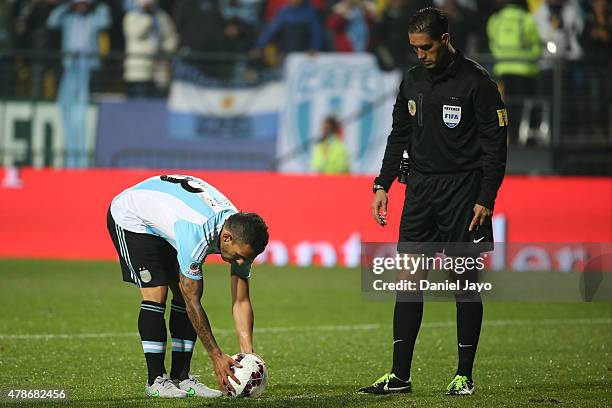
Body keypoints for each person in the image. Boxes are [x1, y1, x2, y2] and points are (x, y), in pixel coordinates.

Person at [359, 7, 507, 396]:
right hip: (420, 193)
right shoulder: (411, 81)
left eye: (425, 47)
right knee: (407, 280)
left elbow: (495, 145)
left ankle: (463, 374)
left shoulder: (477, 82)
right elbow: (398, 135)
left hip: (463, 194)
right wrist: (382, 184)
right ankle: (399, 376)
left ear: (444, 39)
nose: (420, 55)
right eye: (414, 49)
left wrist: (485, 197)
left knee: (463, 283)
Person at [106, 174, 269, 398]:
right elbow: (193, 300)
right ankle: (155, 380)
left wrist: (248, 353)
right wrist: (216, 356)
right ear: (227, 238)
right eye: (240, 257)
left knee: (182, 298)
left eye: (246, 258)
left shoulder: (241, 234)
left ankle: (181, 378)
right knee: (158, 292)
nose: (241, 262)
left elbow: (241, 300)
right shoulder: (197, 233)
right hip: (133, 217)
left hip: (171, 219)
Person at [487, 0, 542, 143]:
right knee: (523, 106)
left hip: (503, 70)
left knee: (505, 106)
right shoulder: (527, 18)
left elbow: (492, 43)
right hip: (526, 71)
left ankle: (506, 138)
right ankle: (521, 140)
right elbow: (536, 48)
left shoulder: (495, 19)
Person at [123, 0, 178, 98]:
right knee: (138, 105)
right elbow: (135, 33)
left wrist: (164, 50)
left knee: (159, 103)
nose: (148, 5)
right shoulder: (131, 17)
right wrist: (149, 19)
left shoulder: (162, 17)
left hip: (160, 72)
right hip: (139, 72)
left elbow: (172, 39)